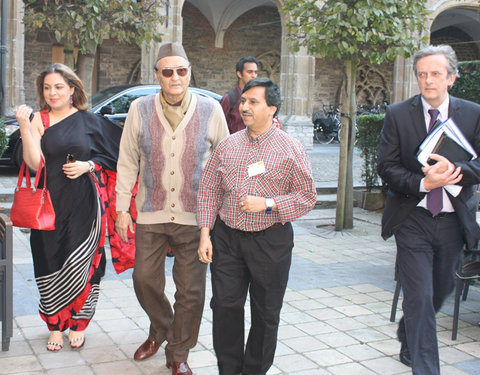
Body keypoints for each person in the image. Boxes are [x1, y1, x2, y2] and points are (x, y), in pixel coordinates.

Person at [114, 42, 229, 375]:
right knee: (143, 279)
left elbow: (224, 161)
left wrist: (220, 214)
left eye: (181, 70)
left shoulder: (211, 110)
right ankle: (162, 326)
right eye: (168, 71)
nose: (175, 77)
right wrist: (123, 208)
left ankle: (178, 352)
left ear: (189, 72)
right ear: (157, 75)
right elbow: (126, 161)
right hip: (151, 210)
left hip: (196, 217)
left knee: (190, 290)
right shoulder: (140, 108)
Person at [197, 77, 317, 375]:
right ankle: (229, 369)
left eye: (254, 102)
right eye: (244, 101)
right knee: (224, 306)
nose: (245, 107)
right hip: (226, 238)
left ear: (272, 108)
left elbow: (307, 197)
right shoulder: (227, 145)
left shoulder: (291, 149)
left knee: (265, 314)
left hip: (270, 242)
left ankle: (254, 370)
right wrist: (204, 234)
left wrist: (268, 203)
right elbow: (209, 190)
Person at [377, 44, 480, 375]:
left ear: (451, 77)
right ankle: (426, 369)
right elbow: (387, 167)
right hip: (413, 217)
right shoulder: (397, 114)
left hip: (454, 221)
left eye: (435, 74)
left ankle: (408, 332)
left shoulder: (473, 114)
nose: (428, 81)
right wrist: (424, 184)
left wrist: (454, 172)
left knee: (440, 291)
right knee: (419, 296)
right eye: (422, 74)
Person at [15, 63, 122, 352]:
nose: (52, 92)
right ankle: (54, 325)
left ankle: (78, 323)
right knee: (48, 260)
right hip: (48, 206)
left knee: (86, 265)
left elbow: (119, 153)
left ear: (73, 89)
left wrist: (89, 165)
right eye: (47, 87)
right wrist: (25, 126)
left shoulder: (90, 121)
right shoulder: (40, 120)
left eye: (59, 86)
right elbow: (35, 163)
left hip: (84, 206)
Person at [221, 56, 258, 134]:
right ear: (239, 74)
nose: (254, 76)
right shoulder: (229, 98)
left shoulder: (259, 98)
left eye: (255, 72)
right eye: (250, 72)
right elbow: (218, 127)